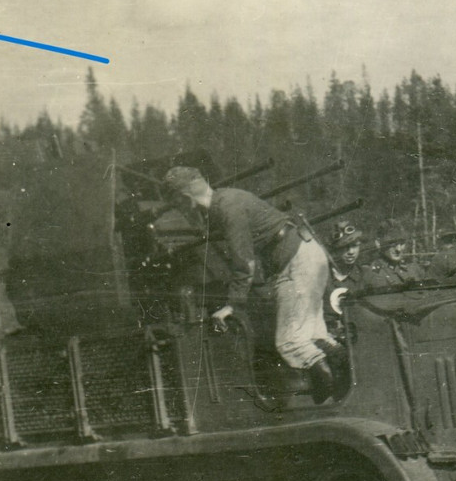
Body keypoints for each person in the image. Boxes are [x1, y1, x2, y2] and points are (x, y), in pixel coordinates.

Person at [163, 166, 337, 402]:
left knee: (289, 342)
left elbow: (244, 262)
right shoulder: (227, 197)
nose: (179, 209)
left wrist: (232, 305)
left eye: (176, 203)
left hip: (294, 261)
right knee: (314, 336)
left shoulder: (227, 209)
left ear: (184, 197)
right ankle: (337, 373)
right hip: (304, 253)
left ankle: (328, 398)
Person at [362, 220, 424, 289]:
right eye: (392, 244)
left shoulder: (412, 267)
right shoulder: (374, 274)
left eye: (402, 243)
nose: (398, 249)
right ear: (378, 244)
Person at [324, 221, 364, 329]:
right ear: (335, 249)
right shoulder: (322, 276)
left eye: (355, 246)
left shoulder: (365, 276)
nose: (351, 251)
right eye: (344, 247)